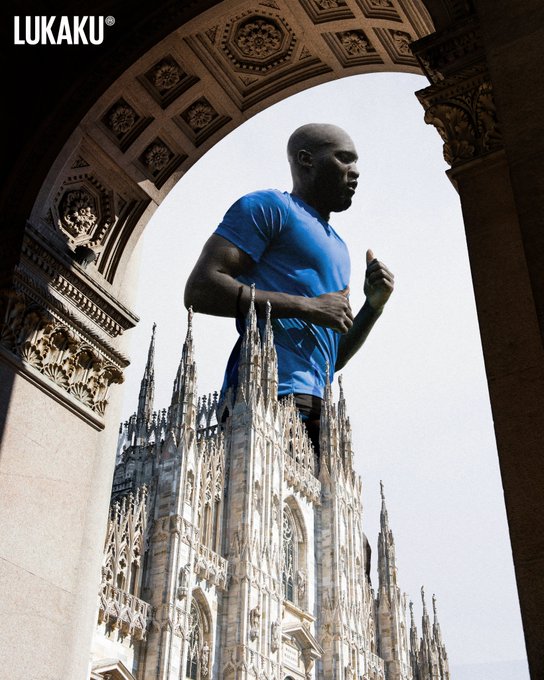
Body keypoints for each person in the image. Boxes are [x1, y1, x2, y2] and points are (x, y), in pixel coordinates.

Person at [184, 123, 394, 449]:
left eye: (356, 163)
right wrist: (308, 307)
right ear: (306, 159)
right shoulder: (269, 207)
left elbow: (332, 357)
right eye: (344, 159)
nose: (355, 172)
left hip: (317, 405)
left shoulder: (339, 246)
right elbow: (200, 289)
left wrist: (373, 305)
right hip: (267, 394)